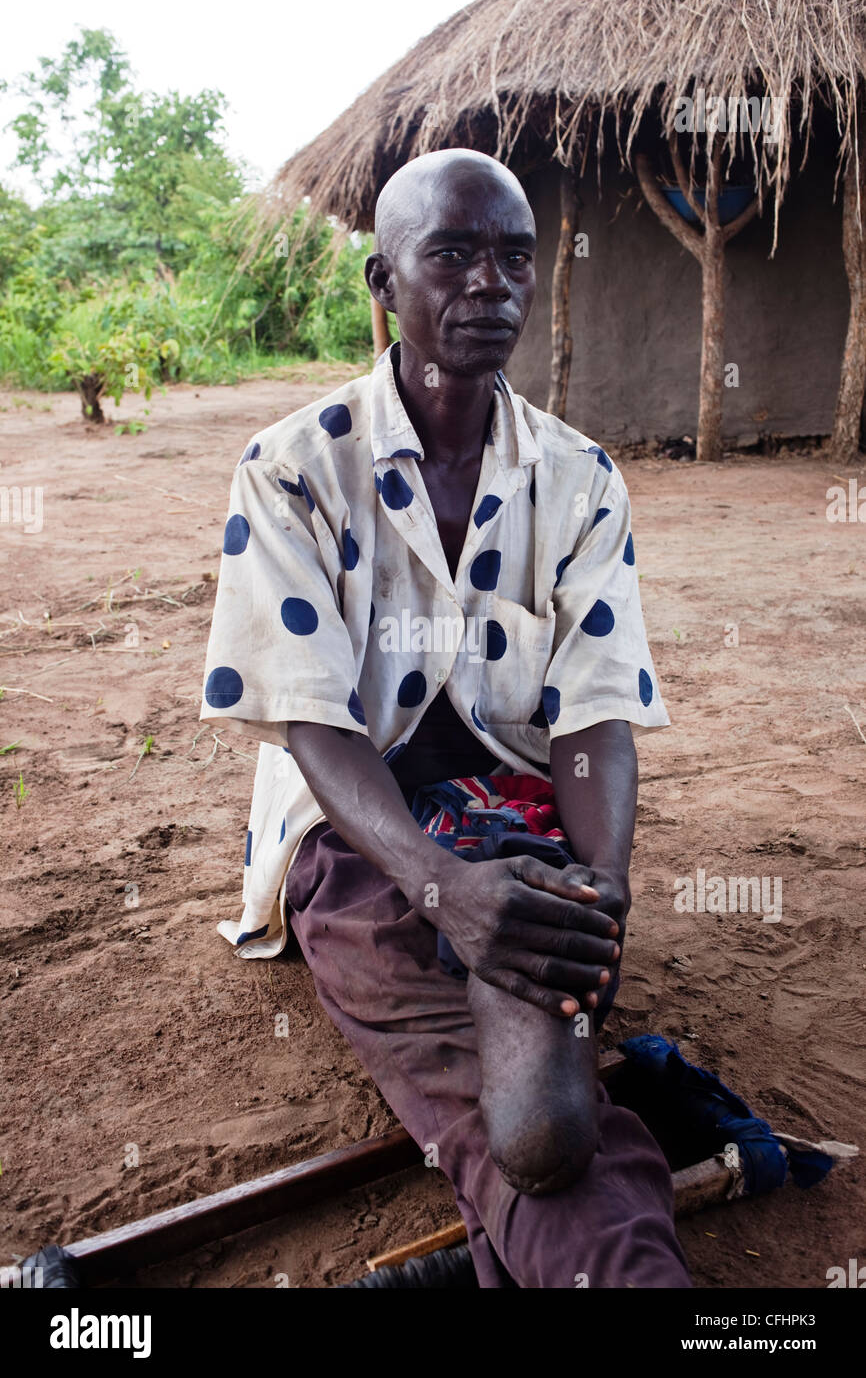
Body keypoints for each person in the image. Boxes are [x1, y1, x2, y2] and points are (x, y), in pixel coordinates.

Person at [200, 148, 691, 1287]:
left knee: (531, 1004)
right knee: (492, 1093)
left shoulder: (577, 477)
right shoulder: (290, 470)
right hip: (359, 832)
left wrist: (596, 889)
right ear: (384, 281)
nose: (491, 284)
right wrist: (443, 888)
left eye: (514, 257)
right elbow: (316, 722)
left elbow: (595, 712)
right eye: (453, 255)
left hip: (519, 815)